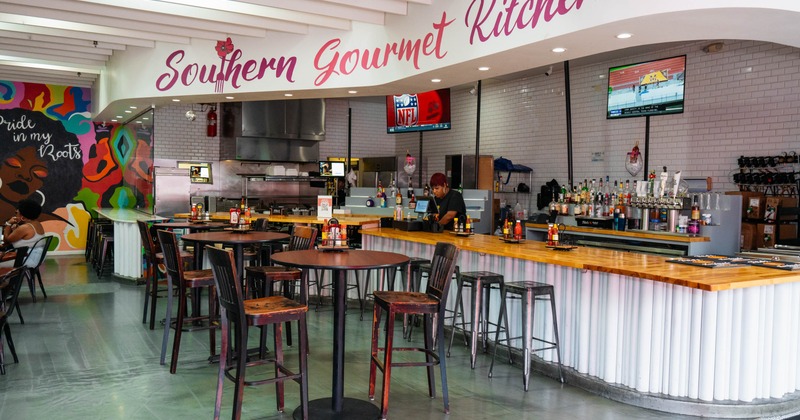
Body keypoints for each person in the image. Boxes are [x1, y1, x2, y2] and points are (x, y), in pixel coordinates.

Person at [1, 199, 46, 267]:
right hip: (35, 258)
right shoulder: (37, 223)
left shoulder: (25, 228)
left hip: (26, 260)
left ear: (23, 218)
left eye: (16, 213)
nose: (15, 216)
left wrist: (8, 223)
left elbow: (6, 240)